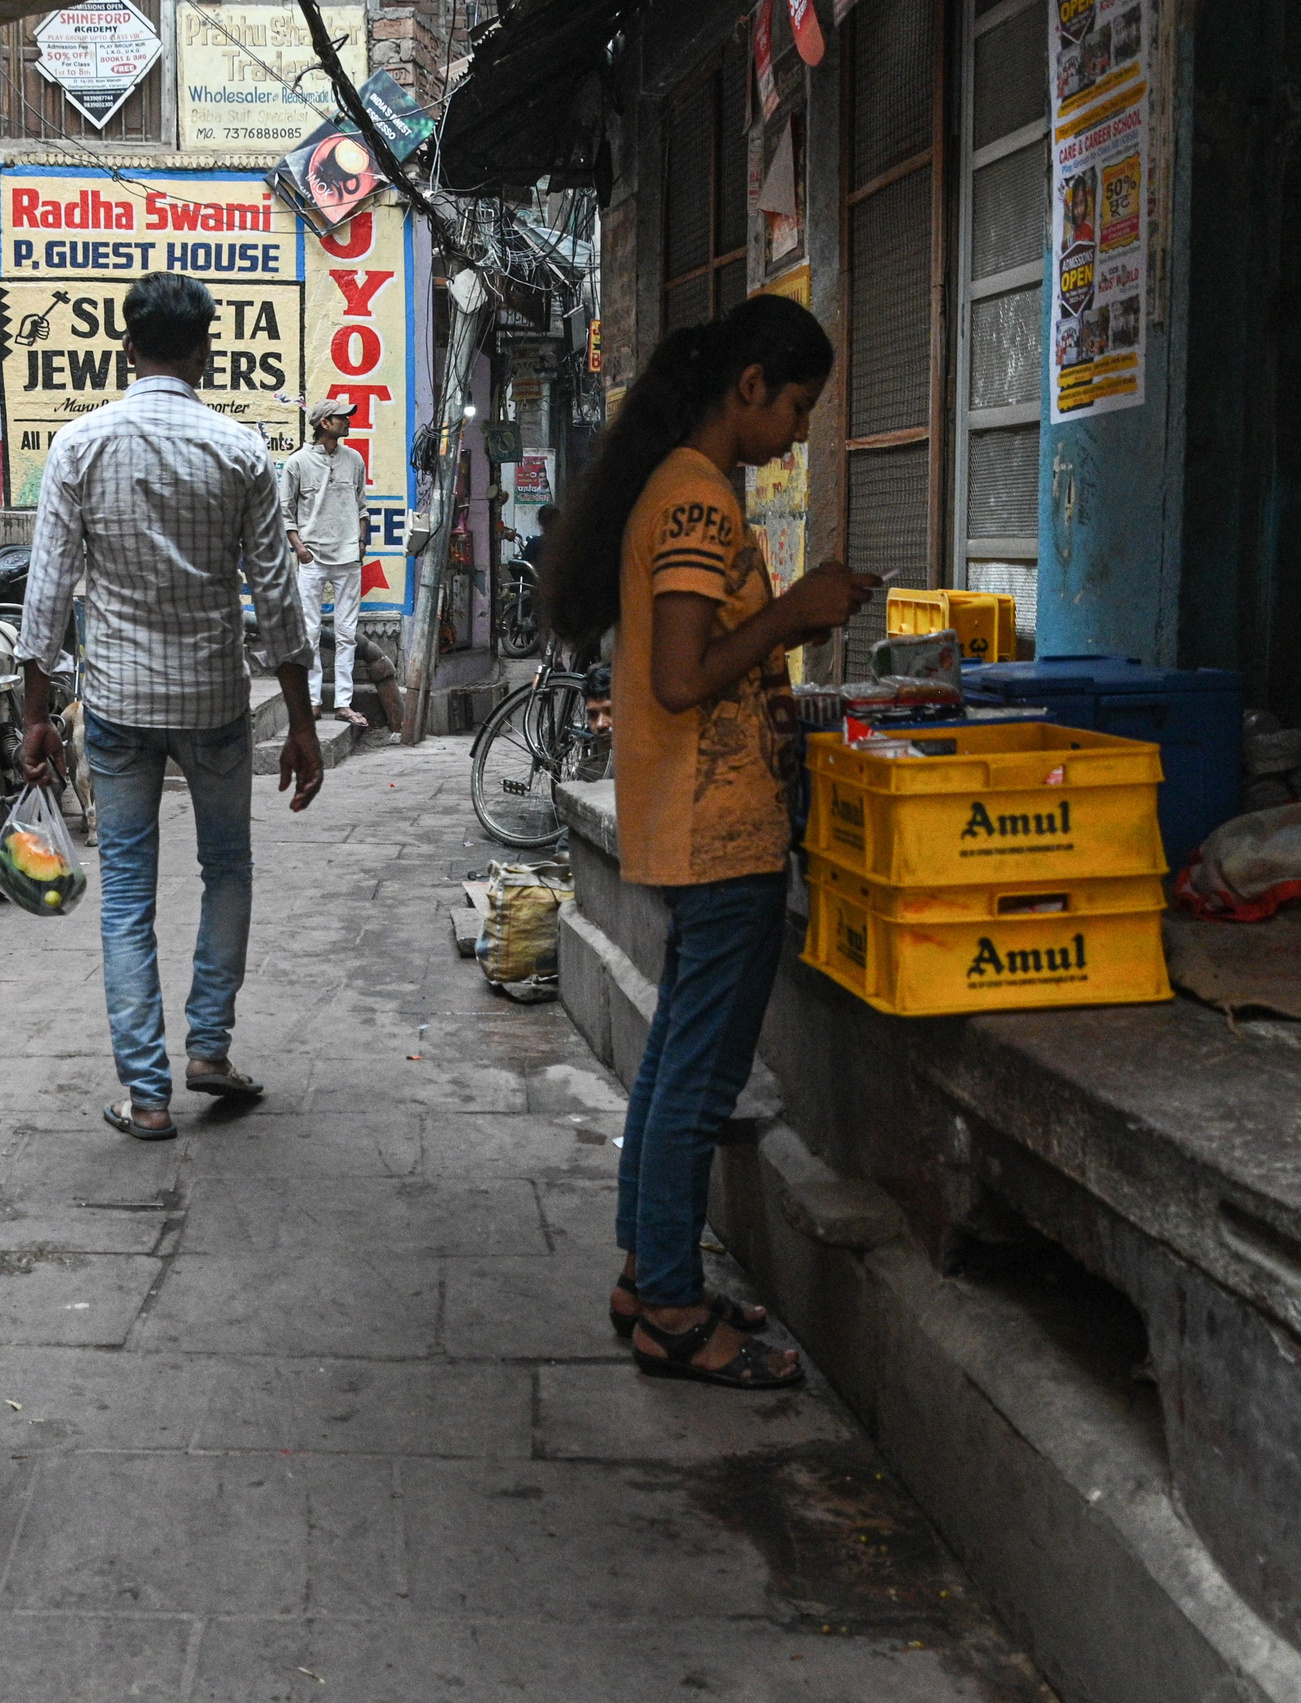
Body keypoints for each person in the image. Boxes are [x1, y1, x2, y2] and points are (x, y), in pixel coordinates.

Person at [540, 294, 877, 1390]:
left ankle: (653, 1277)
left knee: (677, 1064)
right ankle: (675, 1311)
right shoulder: (695, 502)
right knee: (696, 1071)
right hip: (715, 827)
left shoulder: (681, 492)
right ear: (748, 387)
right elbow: (684, 677)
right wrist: (799, 610)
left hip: (701, 822)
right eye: (795, 407)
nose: (793, 433)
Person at [16, 273, 325, 1142]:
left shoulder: (78, 447)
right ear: (205, 352)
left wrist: (36, 712)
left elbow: (47, 598)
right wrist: (300, 723)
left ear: (126, 350)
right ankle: (209, 1049)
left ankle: (147, 1094)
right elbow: (277, 599)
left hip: (116, 704)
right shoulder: (241, 452)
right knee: (226, 869)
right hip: (214, 700)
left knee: (126, 897)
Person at [281, 397, 371, 727]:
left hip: (348, 556)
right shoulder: (298, 463)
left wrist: (361, 541)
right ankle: (314, 700)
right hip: (313, 557)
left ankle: (344, 703)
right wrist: (300, 548)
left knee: (348, 634)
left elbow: (362, 505)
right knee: (310, 632)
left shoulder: (354, 459)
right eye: (341, 418)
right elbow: (285, 512)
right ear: (324, 424)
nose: (347, 422)